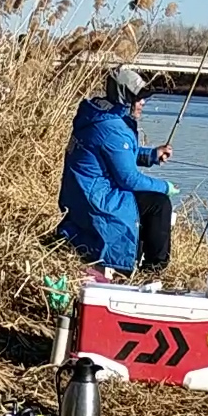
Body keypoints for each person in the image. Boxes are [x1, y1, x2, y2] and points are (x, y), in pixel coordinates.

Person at [58, 65, 176, 275]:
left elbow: (117, 153)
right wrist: (164, 187)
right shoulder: (113, 128)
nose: (143, 102)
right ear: (124, 98)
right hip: (96, 198)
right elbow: (128, 179)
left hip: (80, 193)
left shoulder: (99, 113)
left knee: (148, 201)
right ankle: (154, 269)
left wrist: (150, 155)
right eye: (138, 98)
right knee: (159, 204)